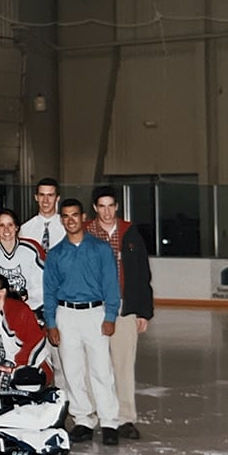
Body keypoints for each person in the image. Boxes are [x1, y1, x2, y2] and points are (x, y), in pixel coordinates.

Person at [43, 198, 121, 445]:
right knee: (73, 371)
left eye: (74, 215)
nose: (70, 220)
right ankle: (83, 420)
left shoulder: (100, 249)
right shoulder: (55, 254)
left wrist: (110, 316)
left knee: (101, 370)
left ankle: (109, 422)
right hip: (66, 315)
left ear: (83, 217)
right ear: (61, 219)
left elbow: (111, 285)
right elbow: (49, 291)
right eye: (65, 216)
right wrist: (51, 323)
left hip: (95, 313)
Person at [86, 186, 154, 440]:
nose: (106, 211)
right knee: (92, 365)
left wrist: (142, 311)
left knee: (123, 365)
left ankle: (124, 418)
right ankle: (93, 416)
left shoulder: (130, 233)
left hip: (124, 309)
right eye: (101, 206)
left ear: (117, 207)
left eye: (110, 206)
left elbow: (141, 274)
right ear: (95, 208)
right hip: (93, 309)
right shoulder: (86, 233)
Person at [0, 274, 51, 382]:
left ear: (2, 292)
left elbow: (36, 341)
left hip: (26, 369)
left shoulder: (18, 311)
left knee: (25, 380)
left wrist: (16, 369)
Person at [0, 209, 45, 315]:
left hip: (29, 312)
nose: (6, 229)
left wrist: (29, 309)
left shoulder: (31, 249)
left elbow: (41, 285)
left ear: (16, 227)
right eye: (2, 225)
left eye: (10, 224)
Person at [21, 177, 66, 252]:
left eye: (50, 195)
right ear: (36, 197)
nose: (45, 200)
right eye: (42, 195)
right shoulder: (25, 229)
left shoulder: (66, 227)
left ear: (57, 198)